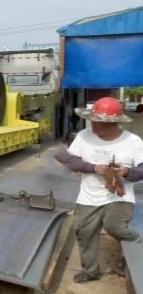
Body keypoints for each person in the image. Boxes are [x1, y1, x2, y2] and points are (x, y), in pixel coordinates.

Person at [54, 97, 143, 283]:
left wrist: (127, 171)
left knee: (114, 226)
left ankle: (138, 241)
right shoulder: (84, 135)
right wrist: (94, 168)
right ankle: (91, 271)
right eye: (93, 121)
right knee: (83, 232)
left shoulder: (133, 141)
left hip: (120, 197)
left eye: (100, 124)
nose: (94, 127)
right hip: (89, 197)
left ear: (115, 123)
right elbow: (69, 160)